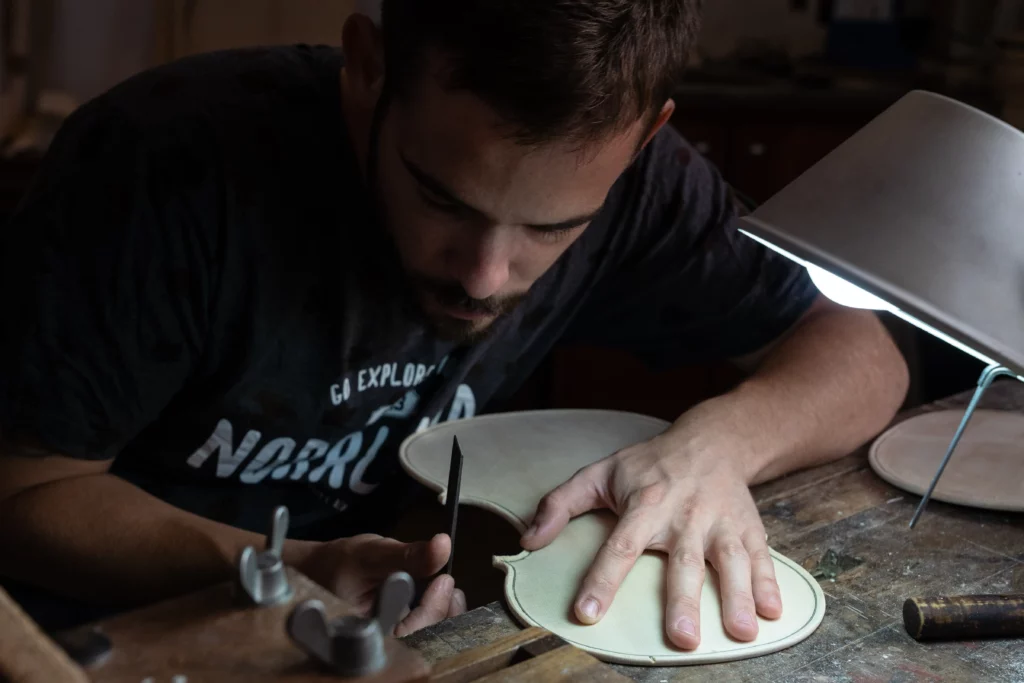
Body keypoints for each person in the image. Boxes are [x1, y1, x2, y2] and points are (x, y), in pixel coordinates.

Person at [0, 0, 908, 647]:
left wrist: (717, 444)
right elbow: (25, 491)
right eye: (440, 196)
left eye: (554, 229)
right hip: (103, 639)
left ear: (642, 137)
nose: (484, 275)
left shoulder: (645, 183)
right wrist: (283, 565)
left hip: (364, 619)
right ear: (368, 70)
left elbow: (864, 353)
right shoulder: (163, 167)